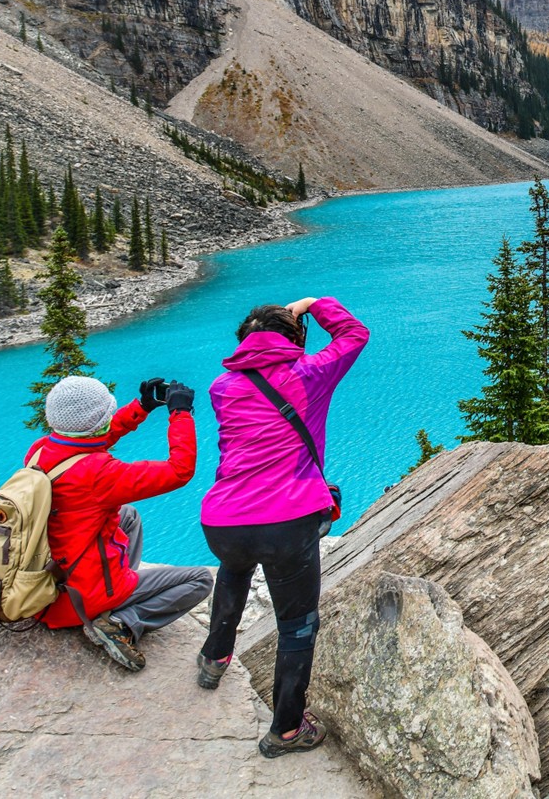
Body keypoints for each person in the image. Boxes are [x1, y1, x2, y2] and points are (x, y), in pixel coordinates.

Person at [198, 297, 369, 758]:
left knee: (234, 571)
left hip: (223, 519)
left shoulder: (221, 387)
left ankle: (214, 659)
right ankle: (287, 730)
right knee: (297, 627)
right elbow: (354, 336)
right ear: (294, 338)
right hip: (287, 523)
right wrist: (316, 304)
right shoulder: (309, 375)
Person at [28, 374, 211, 671]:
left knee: (128, 516)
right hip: (82, 598)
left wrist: (142, 407)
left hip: (55, 579)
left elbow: (87, 440)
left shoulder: (40, 449)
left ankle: (119, 593)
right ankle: (120, 620)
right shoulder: (99, 474)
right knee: (200, 580)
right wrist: (180, 415)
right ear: (100, 420)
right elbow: (179, 471)